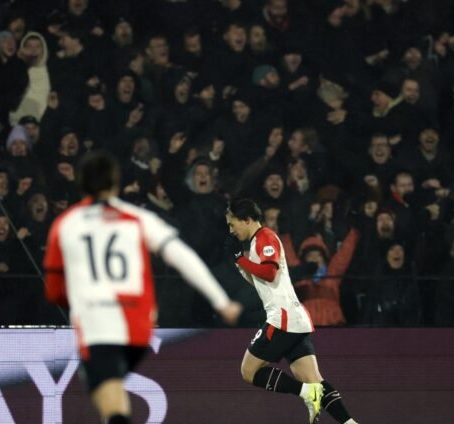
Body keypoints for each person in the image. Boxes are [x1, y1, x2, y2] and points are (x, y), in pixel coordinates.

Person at [44, 151, 242, 424]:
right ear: (115, 184)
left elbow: (55, 290)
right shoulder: (137, 217)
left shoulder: (67, 224)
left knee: (103, 385)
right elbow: (182, 256)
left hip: (98, 321)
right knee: (112, 388)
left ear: (82, 184)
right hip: (138, 321)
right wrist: (221, 301)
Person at [225, 198, 357, 424]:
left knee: (249, 371)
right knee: (313, 378)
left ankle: (307, 393)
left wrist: (242, 261)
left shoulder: (265, 237)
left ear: (246, 220)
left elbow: (269, 273)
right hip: (295, 318)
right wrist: (241, 264)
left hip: (282, 319)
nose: (231, 230)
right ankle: (349, 423)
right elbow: (262, 281)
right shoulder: (258, 242)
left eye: (232, 223)